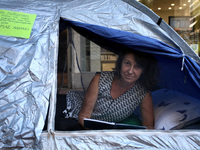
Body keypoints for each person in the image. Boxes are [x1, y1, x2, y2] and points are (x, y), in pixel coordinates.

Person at [62, 49, 159, 130]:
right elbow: (84, 118)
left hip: (95, 129)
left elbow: (149, 126)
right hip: (67, 110)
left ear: (143, 70)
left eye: (137, 67)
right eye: (127, 63)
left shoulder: (143, 93)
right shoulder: (100, 79)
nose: (130, 71)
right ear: (120, 64)